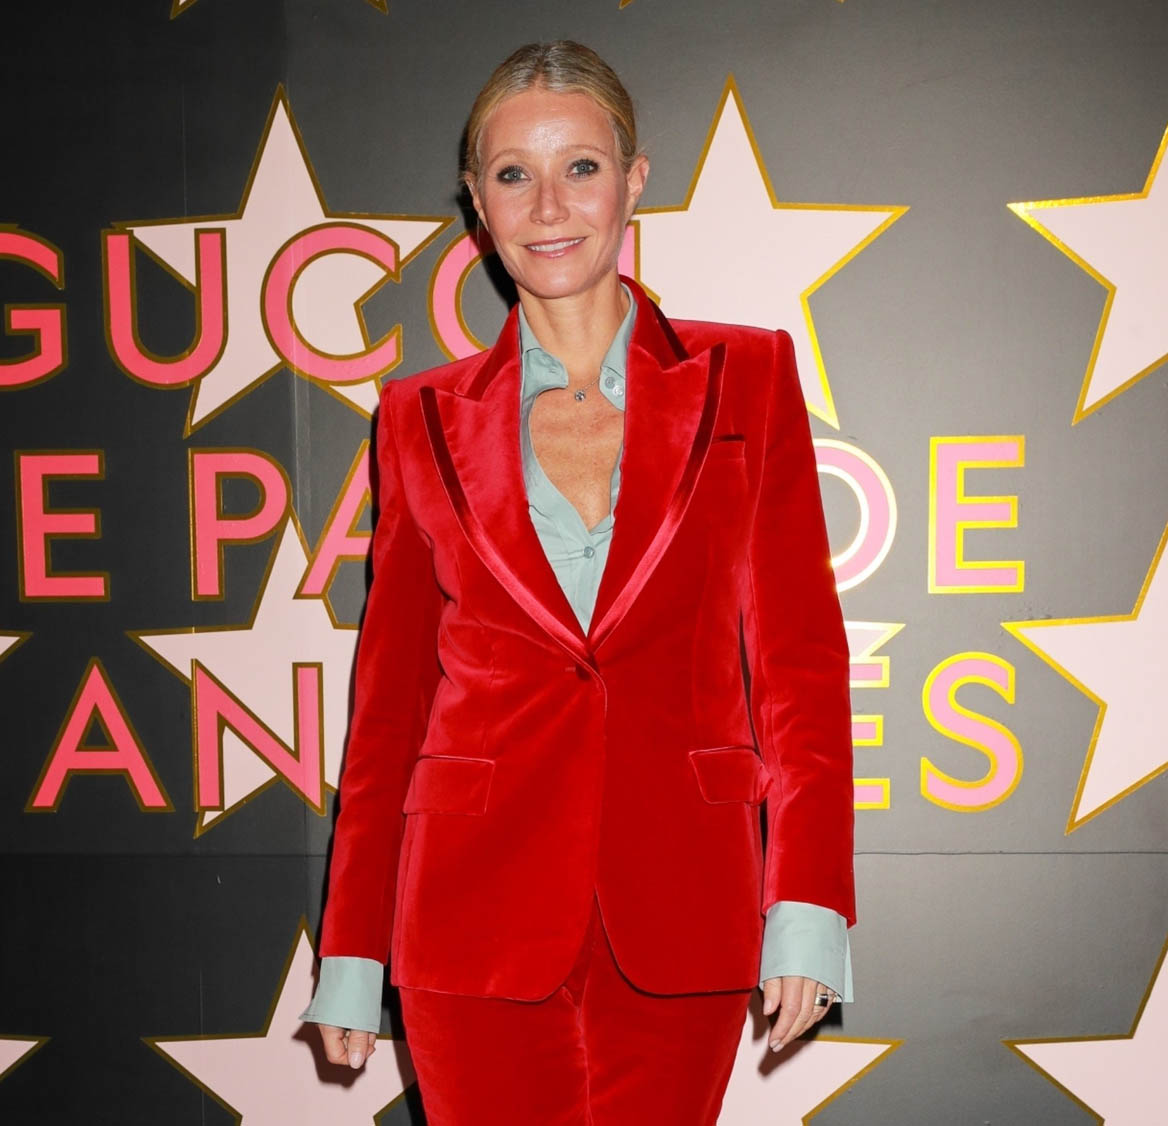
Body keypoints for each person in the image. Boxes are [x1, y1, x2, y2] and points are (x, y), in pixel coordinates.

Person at [299, 40, 855, 1125]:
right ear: (477, 202)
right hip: (469, 918)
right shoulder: (417, 416)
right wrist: (355, 948)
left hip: (684, 906)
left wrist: (808, 903)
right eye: (514, 173)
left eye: (582, 167)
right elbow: (390, 707)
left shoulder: (747, 377)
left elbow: (799, 666)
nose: (549, 206)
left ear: (634, 179)